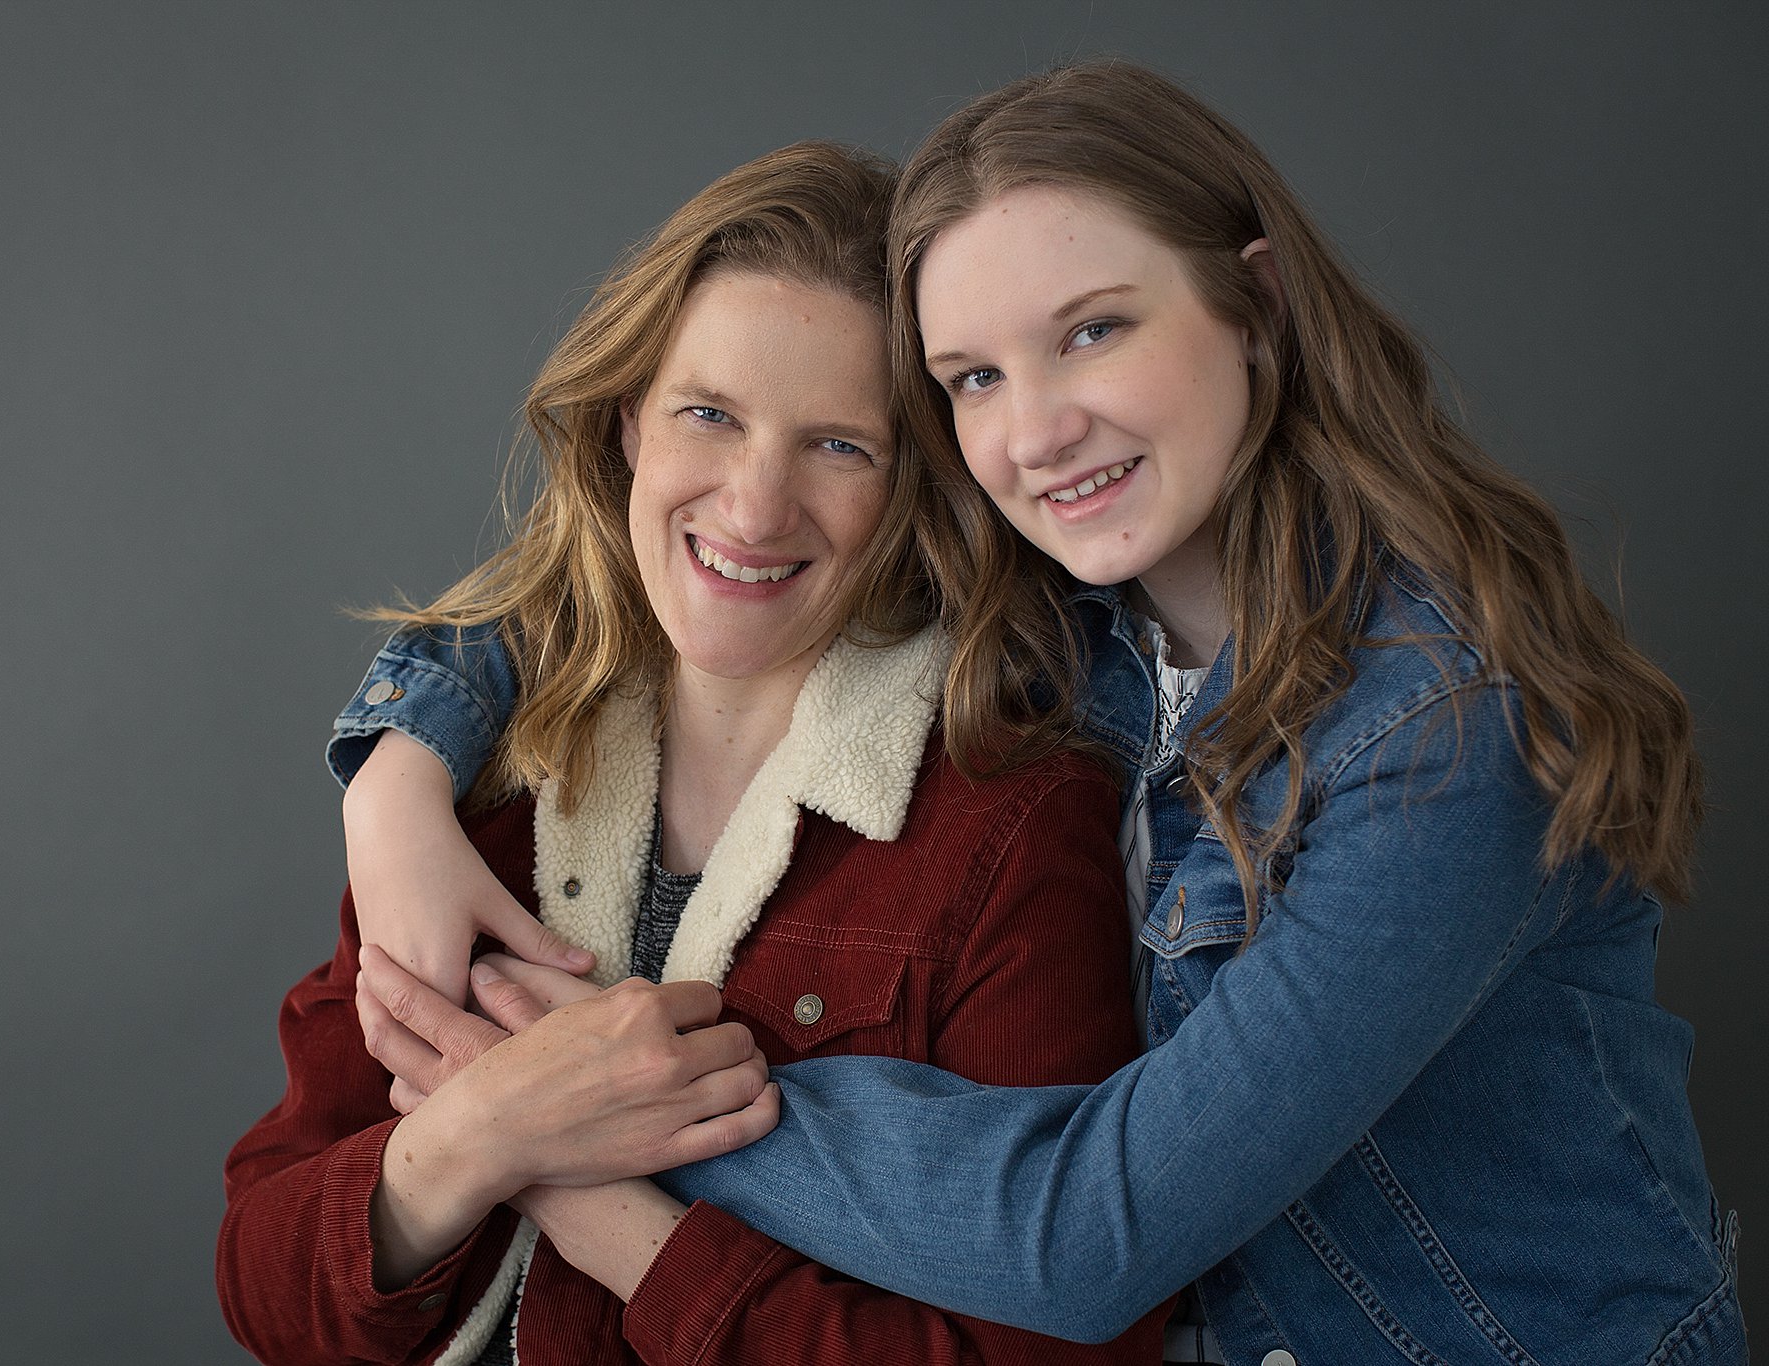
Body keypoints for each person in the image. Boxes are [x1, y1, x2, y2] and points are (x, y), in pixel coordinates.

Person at [327, 62, 1746, 1365]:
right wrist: (392, 776)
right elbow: (623, 573)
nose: (1035, 427)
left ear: (1254, 306)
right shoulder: (1066, 612)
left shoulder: (1439, 733)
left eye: (1094, 332)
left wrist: (583, 1090)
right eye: (975, 380)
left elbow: (1094, 1235)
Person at [217, 141, 1168, 1366]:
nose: (753, 506)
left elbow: (1054, 1353)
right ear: (627, 425)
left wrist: (581, 1196)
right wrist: (473, 1142)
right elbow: (264, 1280)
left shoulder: (1009, 821)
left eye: (840, 446)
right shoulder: (476, 779)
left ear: (915, 490)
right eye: (708, 414)